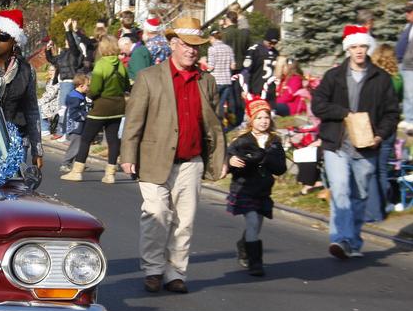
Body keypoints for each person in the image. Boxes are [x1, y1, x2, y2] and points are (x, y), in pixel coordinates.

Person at [120, 17, 225, 294]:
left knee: (184, 221)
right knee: (156, 214)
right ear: (173, 44)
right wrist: (128, 154)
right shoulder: (149, 77)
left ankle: (175, 272)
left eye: (197, 46)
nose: (192, 51)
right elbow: (133, 121)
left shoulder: (207, 81)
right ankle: (153, 269)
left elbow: (214, 123)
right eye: (187, 45)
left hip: (191, 161)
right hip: (154, 159)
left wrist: (220, 157)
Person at [311, 25, 400, 259]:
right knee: (339, 189)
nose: (359, 51)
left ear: (368, 47)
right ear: (347, 49)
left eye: (363, 46)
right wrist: (344, 113)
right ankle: (340, 239)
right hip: (337, 144)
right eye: (354, 47)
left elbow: (392, 113)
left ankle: (353, 241)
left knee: (359, 195)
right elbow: (318, 105)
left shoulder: (381, 78)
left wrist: (380, 135)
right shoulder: (334, 76)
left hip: (367, 148)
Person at [225, 98, 287, 277]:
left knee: (257, 224)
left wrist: (268, 158)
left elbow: (280, 168)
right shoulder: (241, 140)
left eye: (266, 117)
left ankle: (244, 245)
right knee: (252, 221)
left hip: (263, 189)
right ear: (251, 119)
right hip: (244, 187)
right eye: (258, 117)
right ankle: (256, 263)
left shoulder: (275, 141)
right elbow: (228, 158)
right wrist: (230, 161)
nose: (263, 121)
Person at [0, 9, 43, 172]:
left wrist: (37, 149)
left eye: (3, 37)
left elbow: (32, 111)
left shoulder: (26, 71)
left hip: (16, 141)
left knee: (11, 188)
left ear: (14, 40)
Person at [60, 35, 129, 183]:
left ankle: (77, 171)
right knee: (112, 139)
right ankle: (110, 173)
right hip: (118, 106)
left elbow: (95, 88)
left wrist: (90, 96)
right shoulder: (121, 65)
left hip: (101, 107)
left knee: (86, 138)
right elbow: (126, 86)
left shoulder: (101, 64)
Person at [365, 43, 403, 222]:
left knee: (372, 169)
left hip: (376, 127)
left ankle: (374, 206)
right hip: (391, 128)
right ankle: (384, 203)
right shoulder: (397, 78)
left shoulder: (376, 78)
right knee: (382, 169)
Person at [59, 72, 91, 173]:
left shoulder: (80, 95)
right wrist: (86, 115)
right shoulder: (75, 97)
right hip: (75, 126)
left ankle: (78, 163)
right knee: (75, 146)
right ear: (81, 85)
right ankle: (65, 164)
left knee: (81, 145)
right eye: (88, 85)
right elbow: (73, 113)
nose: (89, 88)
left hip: (80, 125)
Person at [392, 1, 413, 127]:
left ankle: (412, 119)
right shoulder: (409, 26)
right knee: (406, 92)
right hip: (402, 63)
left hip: (411, 65)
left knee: (411, 92)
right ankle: (407, 116)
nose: (407, 14)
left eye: (409, 11)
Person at [206, 29, 235, 122]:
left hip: (216, 80)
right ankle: (220, 123)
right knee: (221, 104)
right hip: (227, 80)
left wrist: (203, 62)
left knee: (212, 103)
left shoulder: (212, 49)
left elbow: (211, 67)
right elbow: (233, 66)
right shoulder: (229, 48)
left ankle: (213, 123)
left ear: (212, 38)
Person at [244, 28, 280, 104]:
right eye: (270, 43)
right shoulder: (255, 50)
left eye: (275, 43)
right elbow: (246, 71)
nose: (272, 45)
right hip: (257, 88)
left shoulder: (275, 53)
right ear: (265, 39)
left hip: (270, 89)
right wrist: (245, 88)